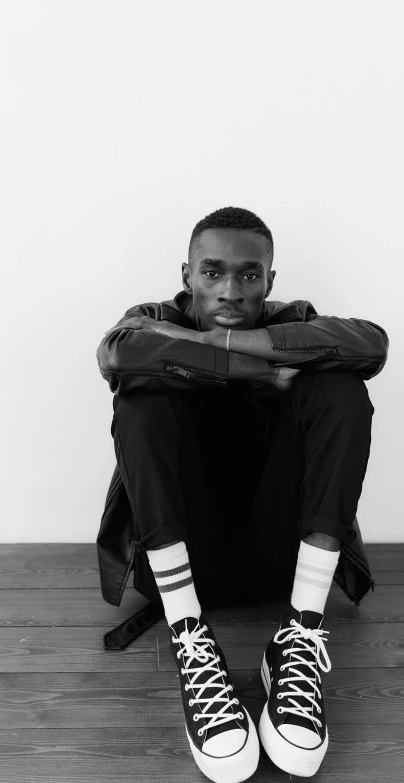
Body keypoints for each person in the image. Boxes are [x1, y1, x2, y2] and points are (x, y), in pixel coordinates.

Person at [95, 206, 389, 782]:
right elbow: (119, 354)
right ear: (186, 276)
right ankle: (188, 636)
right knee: (140, 399)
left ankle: (301, 634)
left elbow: (372, 346)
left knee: (340, 386)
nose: (230, 289)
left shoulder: (298, 321)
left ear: (271, 282)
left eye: (249, 275)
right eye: (213, 273)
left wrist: (229, 340)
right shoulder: (150, 320)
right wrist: (244, 367)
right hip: (182, 559)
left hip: (284, 557)